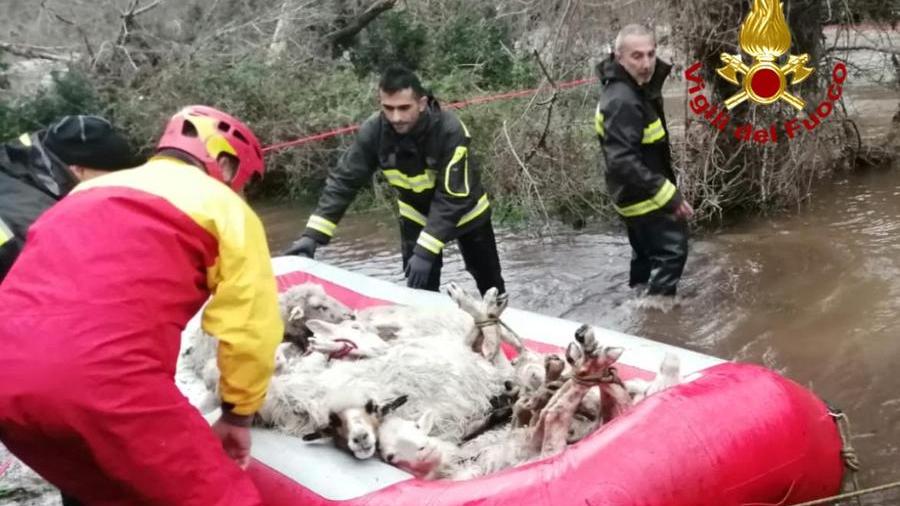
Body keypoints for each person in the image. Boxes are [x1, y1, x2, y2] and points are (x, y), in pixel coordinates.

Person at [0, 105, 283, 505]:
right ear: (224, 160)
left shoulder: (80, 193)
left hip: (8, 390)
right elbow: (250, 329)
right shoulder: (224, 207)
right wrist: (238, 414)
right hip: (103, 385)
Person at [283, 64, 506, 295]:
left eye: (403, 108)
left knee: (490, 283)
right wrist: (312, 236)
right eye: (388, 108)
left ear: (421, 103)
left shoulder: (450, 131)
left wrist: (425, 250)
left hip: (468, 215)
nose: (396, 117)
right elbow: (344, 181)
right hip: (415, 215)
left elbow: (453, 197)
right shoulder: (374, 131)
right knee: (419, 291)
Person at [595, 24, 693, 297]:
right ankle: (658, 317)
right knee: (672, 254)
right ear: (619, 57)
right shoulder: (622, 100)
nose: (647, 63)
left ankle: (638, 301)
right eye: (637, 56)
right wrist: (669, 196)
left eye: (651, 54)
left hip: (634, 194)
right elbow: (622, 161)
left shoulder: (632, 89)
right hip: (644, 196)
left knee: (646, 257)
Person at [0, 115, 146, 282]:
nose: (114, 188)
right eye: (109, 180)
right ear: (78, 170)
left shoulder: (43, 176)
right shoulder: (31, 218)